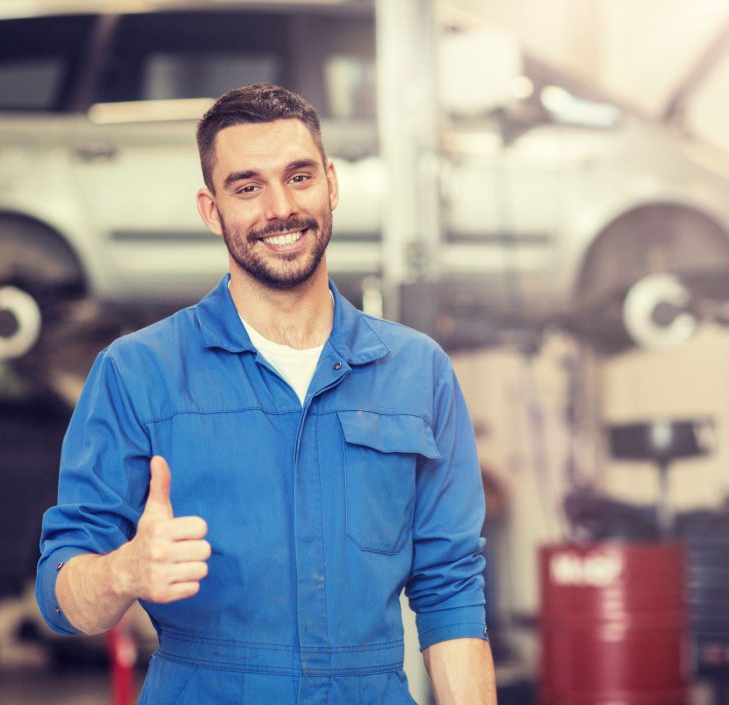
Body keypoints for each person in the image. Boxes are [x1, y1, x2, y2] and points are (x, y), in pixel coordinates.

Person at [36, 83, 496, 704]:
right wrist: (124, 571)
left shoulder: (419, 372)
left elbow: (451, 592)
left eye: (299, 177)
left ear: (332, 184)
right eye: (247, 187)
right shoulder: (137, 373)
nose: (280, 208)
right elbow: (63, 596)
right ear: (211, 209)